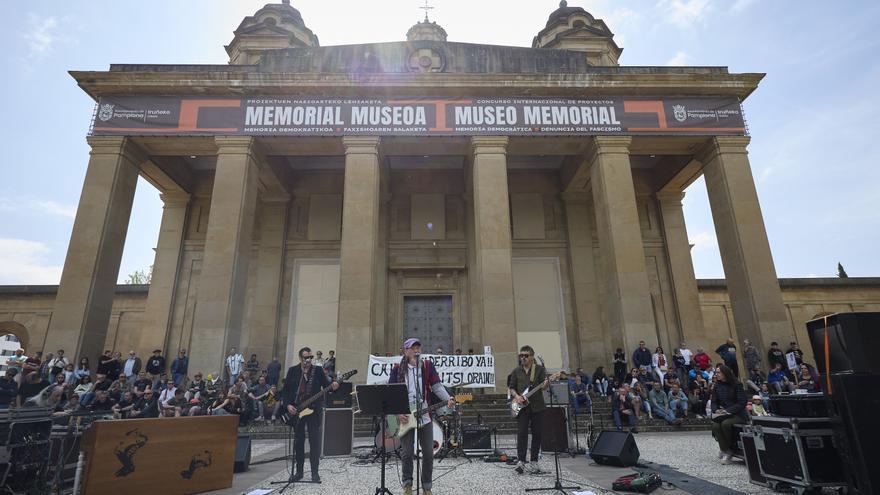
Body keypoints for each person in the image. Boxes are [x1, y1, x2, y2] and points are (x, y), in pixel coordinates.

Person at [387, 339, 453, 494]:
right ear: (405, 351)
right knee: (407, 452)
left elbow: (436, 386)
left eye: (418, 347)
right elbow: (391, 393)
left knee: (429, 452)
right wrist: (397, 413)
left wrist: (447, 398)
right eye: (412, 348)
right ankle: (408, 484)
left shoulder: (427, 365)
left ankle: (427, 487)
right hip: (404, 415)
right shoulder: (397, 369)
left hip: (424, 414)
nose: (416, 350)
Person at [281, 347, 339, 484]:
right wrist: (288, 405)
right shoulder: (293, 371)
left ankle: (315, 473)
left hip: (314, 411)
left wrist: (334, 386)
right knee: (298, 442)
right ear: (300, 358)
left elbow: (327, 385)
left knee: (315, 442)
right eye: (305, 357)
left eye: (310, 357)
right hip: (297, 411)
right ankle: (299, 472)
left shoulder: (317, 370)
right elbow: (285, 391)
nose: (308, 360)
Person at [508, 345, 555, 476]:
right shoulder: (516, 371)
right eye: (521, 355)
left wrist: (546, 383)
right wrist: (517, 397)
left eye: (526, 355)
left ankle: (534, 462)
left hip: (537, 407)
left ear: (532, 357)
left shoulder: (539, 370)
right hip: (522, 408)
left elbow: (544, 387)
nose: (523, 358)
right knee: (521, 433)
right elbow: (511, 388)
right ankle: (521, 462)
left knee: (537, 434)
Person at [710, 365, 747, 464]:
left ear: (725, 373)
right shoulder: (717, 385)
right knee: (716, 425)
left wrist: (728, 410)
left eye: (718, 372)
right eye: (716, 372)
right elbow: (714, 401)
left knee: (726, 424)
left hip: (738, 414)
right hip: (723, 414)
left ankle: (730, 449)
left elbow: (742, 402)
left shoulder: (737, 384)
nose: (716, 374)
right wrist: (716, 410)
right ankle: (726, 450)